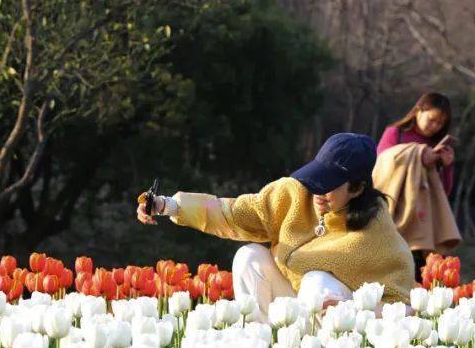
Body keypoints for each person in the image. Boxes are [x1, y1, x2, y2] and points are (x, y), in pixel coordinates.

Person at [136, 133, 415, 317]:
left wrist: (351, 310)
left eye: (328, 186)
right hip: (292, 302)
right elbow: (234, 213)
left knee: (316, 282)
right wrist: (167, 205)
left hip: (336, 319)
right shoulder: (294, 193)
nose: (317, 191)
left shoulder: (376, 229)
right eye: (315, 178)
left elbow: (401, 305)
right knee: (249, 256)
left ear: (356, 189)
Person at [376, 92, 459, 279]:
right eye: (432, 120)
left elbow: (443, 192)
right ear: (418, 111)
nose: (435, 127)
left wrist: (447, 166)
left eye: (440, 124)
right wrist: (418, 155)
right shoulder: (395, 134)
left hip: (425, 223)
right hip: (396, 214)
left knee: (421, 277)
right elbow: (381, 167)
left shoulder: (436, 144)